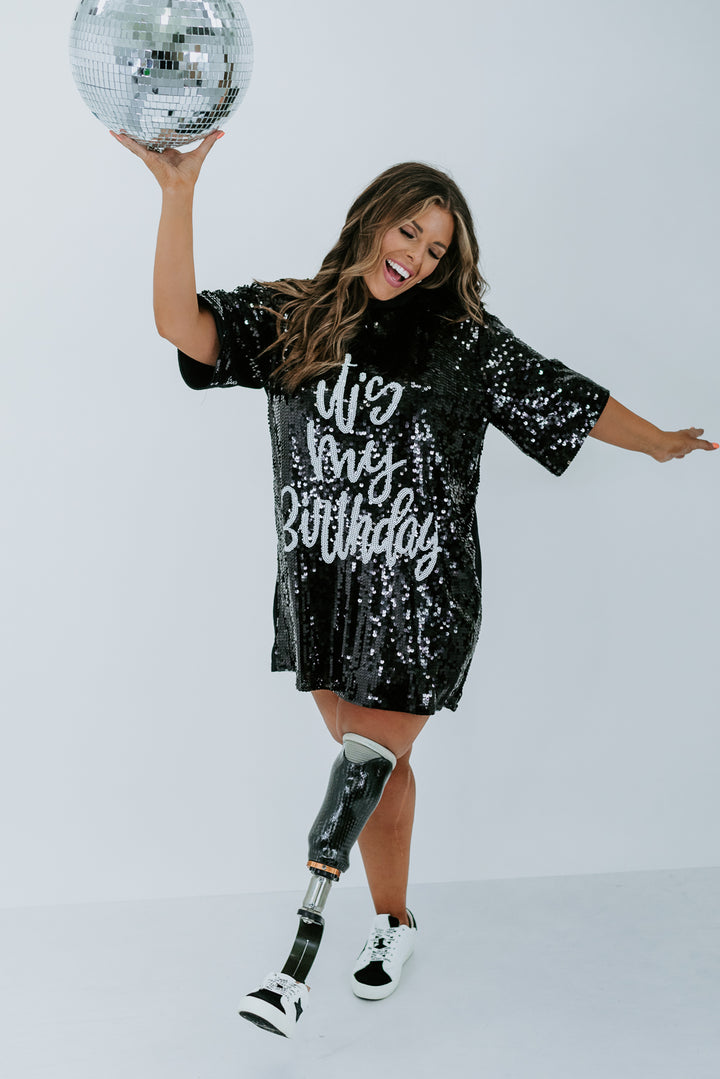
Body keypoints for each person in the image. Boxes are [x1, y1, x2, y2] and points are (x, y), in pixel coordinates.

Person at [111, 127, 717, 1038]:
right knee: (381, 774)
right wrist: (177, 193)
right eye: (410, 233)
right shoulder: (295, 314)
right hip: (324, 589)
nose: (419, 258)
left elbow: (563, 394)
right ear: (373, 219)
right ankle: (395, 919)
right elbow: (178, 323)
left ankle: (295, 960)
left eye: (437, 250)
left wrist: (660, 441)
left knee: (362, 765)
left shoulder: (462, 342)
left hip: (421, 597)